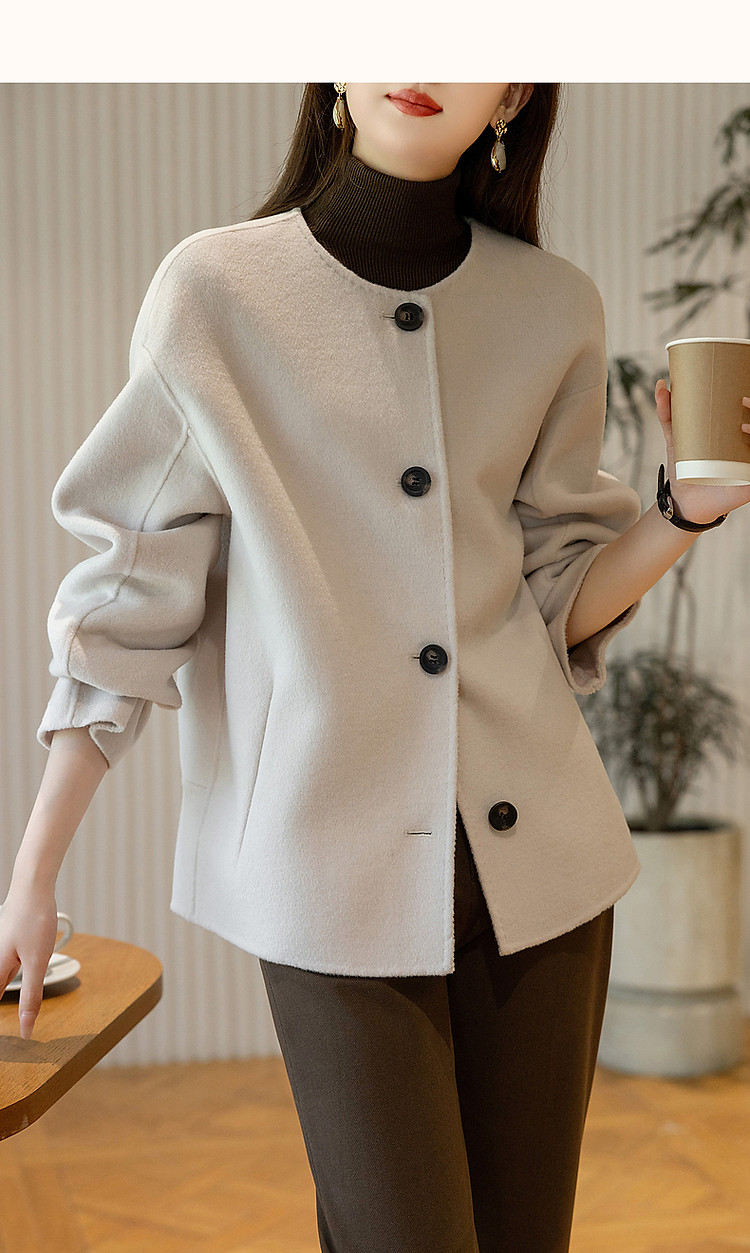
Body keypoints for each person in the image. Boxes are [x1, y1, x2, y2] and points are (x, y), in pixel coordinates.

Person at [3, 82, 750, 1252]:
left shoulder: (551, 304)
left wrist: (682, 511)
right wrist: (34, 868)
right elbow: (129, 594)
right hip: (327, 874)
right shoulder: (215, 292)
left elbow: (554, 598)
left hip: (542, 877)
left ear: (513, 92)